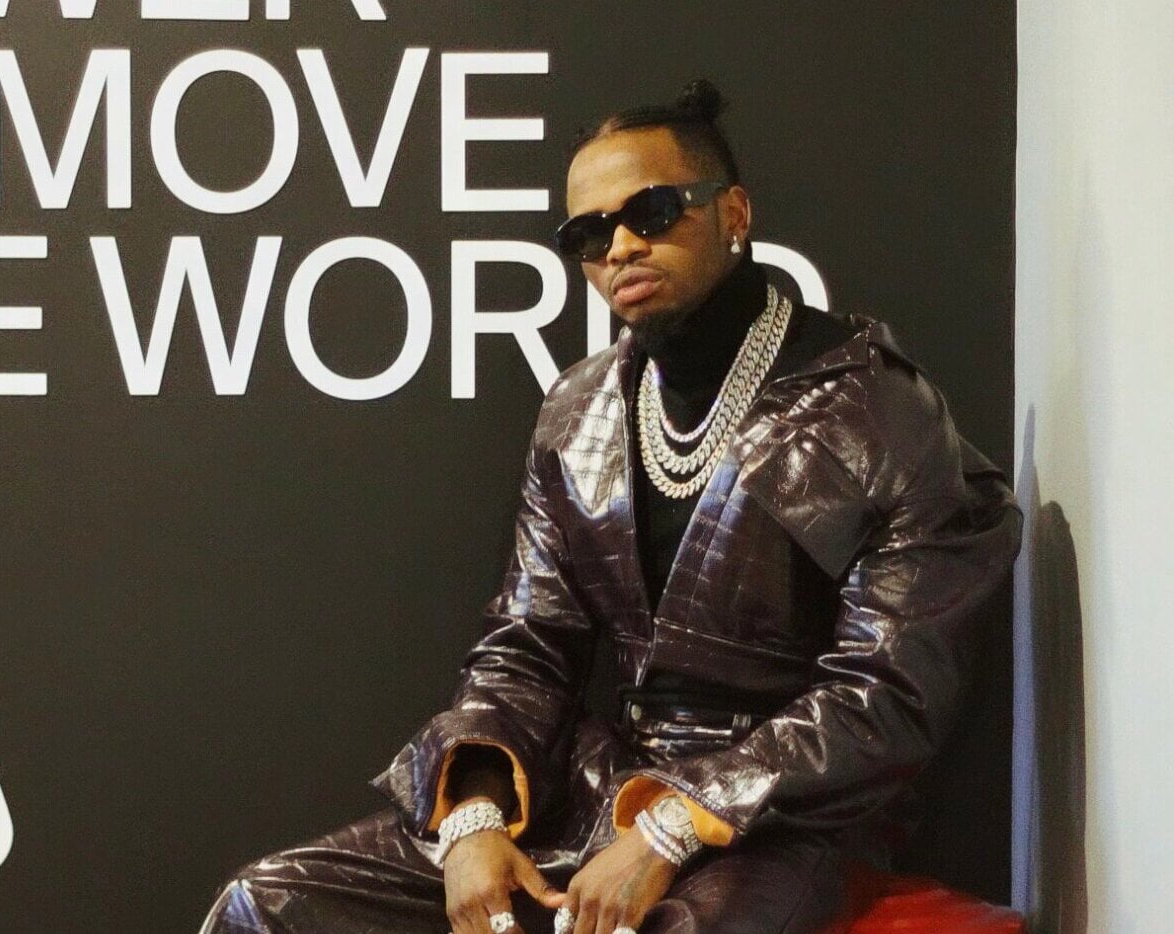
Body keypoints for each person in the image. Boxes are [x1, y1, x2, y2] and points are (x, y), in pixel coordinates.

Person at [197, 77, 1023, 934]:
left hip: (779, 823)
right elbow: (527, 645)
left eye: (651, 213)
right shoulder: (578, 408)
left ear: (733, 212)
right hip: (594, 786)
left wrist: (672, 826)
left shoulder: (875, 410)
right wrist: (474, 815)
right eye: (588, 234)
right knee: (270, 904)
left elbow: (887, 694)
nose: (621, 246)